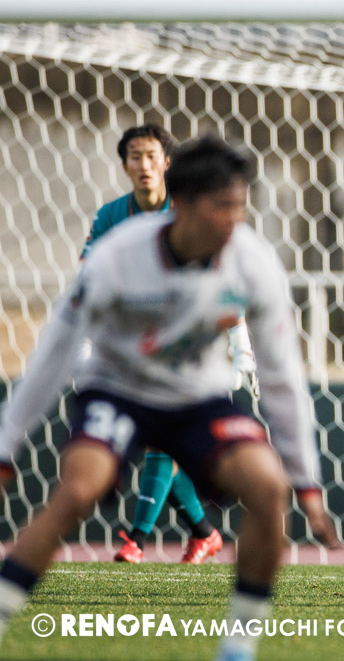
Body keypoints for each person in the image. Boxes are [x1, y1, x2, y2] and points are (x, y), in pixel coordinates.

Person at [0, 135, 337, 661]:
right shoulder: (116, 256)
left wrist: (306, 479)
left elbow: (283, 376)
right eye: (221, 206)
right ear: (181, 205)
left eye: (240, 205)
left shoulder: (252, 261)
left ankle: (238, 648)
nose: (235, 219)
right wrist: (6, 446)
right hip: (118, 390)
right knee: (77, 492)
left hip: (197, 397)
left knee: (269, 487)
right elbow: (54, 353)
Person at [82, 124, 255, 564]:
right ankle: (204, 533)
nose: (144, 165)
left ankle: (136, 540)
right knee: (159, 442)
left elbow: (221, 282)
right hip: (132, 347)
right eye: (135, 156)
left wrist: (241, 345)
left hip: (188, 348)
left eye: (152, 156)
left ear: (167, 163)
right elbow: (88, 280)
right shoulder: (111, 217)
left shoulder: (187, 214)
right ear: (124, 164)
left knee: (162, 444)